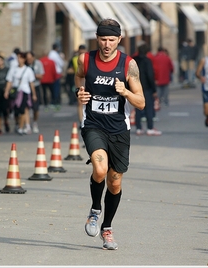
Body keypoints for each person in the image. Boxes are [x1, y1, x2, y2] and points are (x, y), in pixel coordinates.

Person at [75, 18, 145, 250]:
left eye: (111, 40)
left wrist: (124, 91)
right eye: (103, 39)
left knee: (114, 182)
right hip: (93, 124)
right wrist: (80, 92)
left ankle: (107, 228)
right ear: (97, 38)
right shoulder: (85, 60)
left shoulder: (128, 65)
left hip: (119, 129)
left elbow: (141, 102)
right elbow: (78, 79)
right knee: (100, 169)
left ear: (119, 40)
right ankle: (95, 209)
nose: (107, 44)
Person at [4, 52, 37, 135]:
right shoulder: (13, 69)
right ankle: (17, 123)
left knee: (23, 109)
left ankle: (21, 127)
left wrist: (34, 94)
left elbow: (31, 83)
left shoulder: (28, 70)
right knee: (15, 110)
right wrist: (7, 91)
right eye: (18, 58)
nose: (19, 60)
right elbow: (9, 81)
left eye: (21, 58)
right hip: (15, 92)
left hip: (25, 91)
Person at [133, 43, 161, 136]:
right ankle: (149, 128)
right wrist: (154, 90)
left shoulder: (134, 60)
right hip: (146, 88)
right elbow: (150, 75)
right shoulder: (147, 61)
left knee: (137, 108)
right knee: (149, 107)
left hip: (135, 86)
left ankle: (138, 128)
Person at [26, 51, 45, 133]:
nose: (29, 60)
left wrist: (32, 75)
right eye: (27, 59)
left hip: (36, 86)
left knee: (36, 108)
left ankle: (34, 122)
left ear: (33, 57)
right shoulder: (25, 65)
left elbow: (41, 75)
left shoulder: (38, 64)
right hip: (26, 87)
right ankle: (27, 125)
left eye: (30, 58)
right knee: (26, 107)